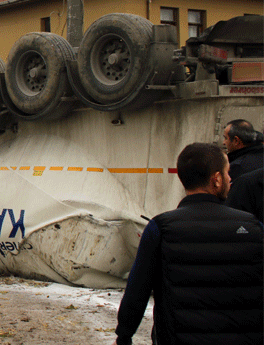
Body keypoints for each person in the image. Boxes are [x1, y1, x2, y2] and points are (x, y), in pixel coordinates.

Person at [113, 142, 263, 345]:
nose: (230, 178)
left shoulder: (161, 229)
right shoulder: (253, 228)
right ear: (216, 180)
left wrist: (124, 335)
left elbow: (137, 290)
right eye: (227, 172)